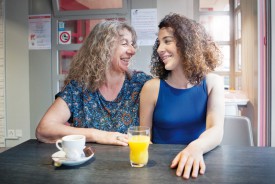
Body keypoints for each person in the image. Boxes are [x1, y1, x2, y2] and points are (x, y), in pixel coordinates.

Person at [36, 20, 151, 146]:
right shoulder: (78, 88)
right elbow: (44, 129)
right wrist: (98, 135)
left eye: (132, 44)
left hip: (131, 163)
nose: (132, 51)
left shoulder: (141, 83)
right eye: (124, 43)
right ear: (103, 47)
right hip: (87, 164)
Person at [139, 13, 225, 179]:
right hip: (160, 168)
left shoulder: (213, 83)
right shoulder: (151, 88)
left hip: (199, 165)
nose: (159, 49)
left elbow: (216, 130)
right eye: (159, 43)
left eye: (167, 41)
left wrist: (195, 148)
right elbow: (144, 138)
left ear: (187, 43)